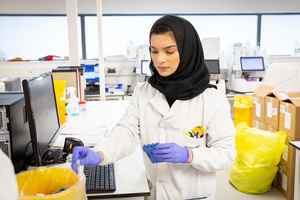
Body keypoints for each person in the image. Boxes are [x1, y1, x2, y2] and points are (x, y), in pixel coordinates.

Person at [72, 15, 236, 200]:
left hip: (194, 195)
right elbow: (127, 131)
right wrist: (100, 153)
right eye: (154, 51)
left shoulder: (212, 99)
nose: (159, 60)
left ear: (188, 51)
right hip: (155, 192)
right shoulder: (144, 92)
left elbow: (226, 153)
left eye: (169, 51)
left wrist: (189, 155)